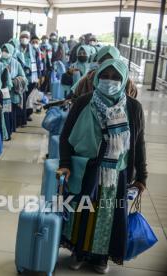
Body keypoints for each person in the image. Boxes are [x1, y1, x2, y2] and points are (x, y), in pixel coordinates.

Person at [58, 59, 147, 274]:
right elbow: (66, 135)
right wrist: (65, 163)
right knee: (83, 211)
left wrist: (141, 175)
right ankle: (79, 252)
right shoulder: (84, 102)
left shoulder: (133, 107)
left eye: (116, 77)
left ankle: (101, 257)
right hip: (87, 169)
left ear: (124, 79)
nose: (110, 81)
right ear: (97, 77)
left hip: (117, 172)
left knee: (109, 215)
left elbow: (139, 141)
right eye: (105, 76)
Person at [70, 45, 138, 99]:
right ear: (98, 62)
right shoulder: (87, 80)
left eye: (111, 61)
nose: (107, 65)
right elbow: (76, 101)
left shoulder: (128, 84)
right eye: (103, 61)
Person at [0, 43, 28, 130]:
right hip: (1, 90)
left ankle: (10, 130)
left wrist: (13, 81)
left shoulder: (16, 63)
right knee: (2, 111)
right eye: (3, 50)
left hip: (12, 92)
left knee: (10, 112)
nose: (4, 52)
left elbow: (24, 78)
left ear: (11, 52)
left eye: (7, 51)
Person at [18, 30, 42, 123]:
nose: (24, 39)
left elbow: (38, 63)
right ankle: (21, 117)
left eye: (26, 37)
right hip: (20, 78)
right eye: (22, 36)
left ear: (29, 39)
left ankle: (27, 114)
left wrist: (39, 77)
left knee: (29, 97)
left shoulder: (34, 50)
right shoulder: (16, 49)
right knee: (22, 98)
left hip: (32, 77)